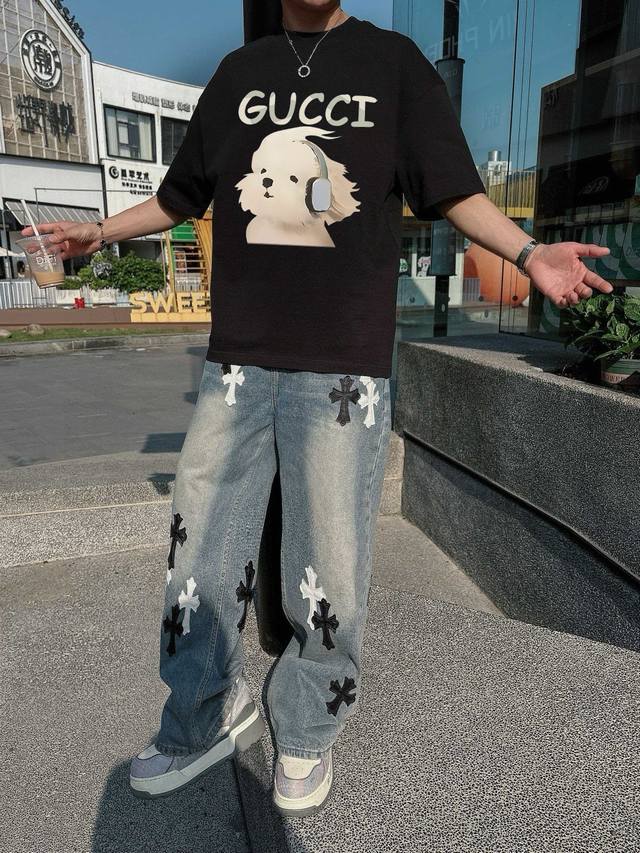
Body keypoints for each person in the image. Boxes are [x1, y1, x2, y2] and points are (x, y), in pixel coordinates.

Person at [22, 0, 613, 817]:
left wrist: (527, 249)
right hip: (239, 358)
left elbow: (453, 189)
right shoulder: (239, 74)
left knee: (331, 552)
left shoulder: (394, 65)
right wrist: (102, 233)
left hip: (344, 364)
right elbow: (181, 193)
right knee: (200, 546)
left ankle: (306, 723)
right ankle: (202, 713)